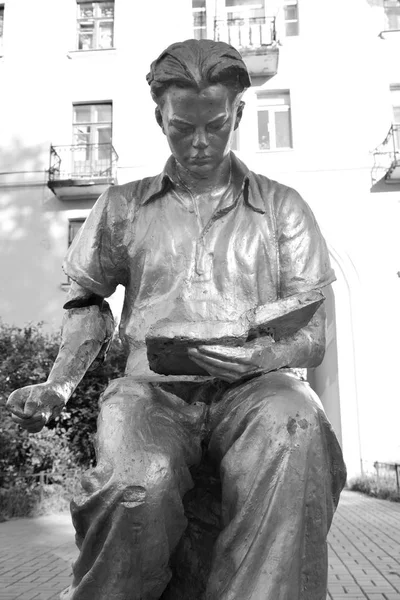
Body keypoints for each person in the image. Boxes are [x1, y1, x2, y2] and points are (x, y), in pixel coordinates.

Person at [7, 39, 346, 600]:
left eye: (215, 125)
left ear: (238, 113)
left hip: (256, 388)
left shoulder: (284, 207)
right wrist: (58, 385)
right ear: (159, 117)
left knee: (296, 426)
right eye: (180, 127)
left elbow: (313, 331)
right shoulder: (121, 206)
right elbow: (87, 303)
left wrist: (257, 355)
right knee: (139, 477)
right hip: (152, 391)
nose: (198, 143)